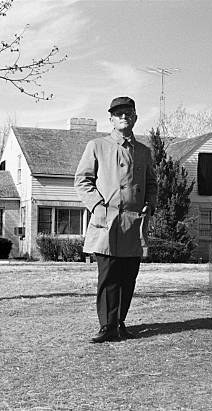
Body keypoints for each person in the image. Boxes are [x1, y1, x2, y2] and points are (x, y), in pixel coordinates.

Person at [74, 96, 157, 343]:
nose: (123, 116)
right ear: (110, 119)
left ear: (135, 117)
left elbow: (152, 184)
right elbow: (82, 180)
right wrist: (97, 206)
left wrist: (150, 206)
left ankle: (120, 323)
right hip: (106, 221)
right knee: (108, 276)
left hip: (133, 224)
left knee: (128, 276)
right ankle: (106, 326)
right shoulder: (96, 145)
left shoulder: (144, 151)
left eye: (128, 113)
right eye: (118, 113)